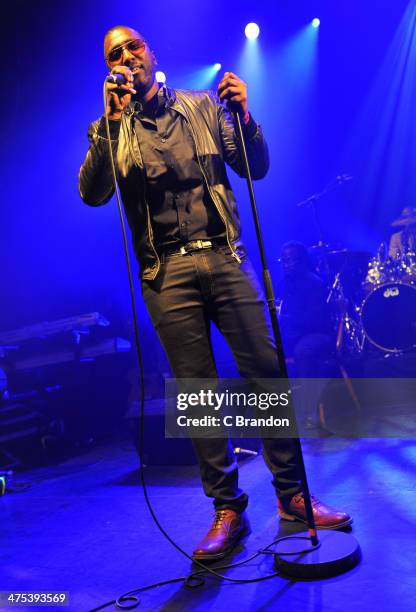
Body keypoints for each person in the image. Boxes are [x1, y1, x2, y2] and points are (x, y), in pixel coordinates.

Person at [78, 25, 352, 562]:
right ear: (108, 69)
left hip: (224, 256)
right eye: (115, 54)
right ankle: (227, 508)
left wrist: (245, 116)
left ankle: (293, 495)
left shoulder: (203, 106)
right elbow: (92, 193)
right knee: (198, 392)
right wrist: (111, 125)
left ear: (151, 52)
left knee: (266, 372)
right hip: (166, 272)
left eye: (133, 47)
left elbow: (257, 167)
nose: (127, 58)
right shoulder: (107, 128)